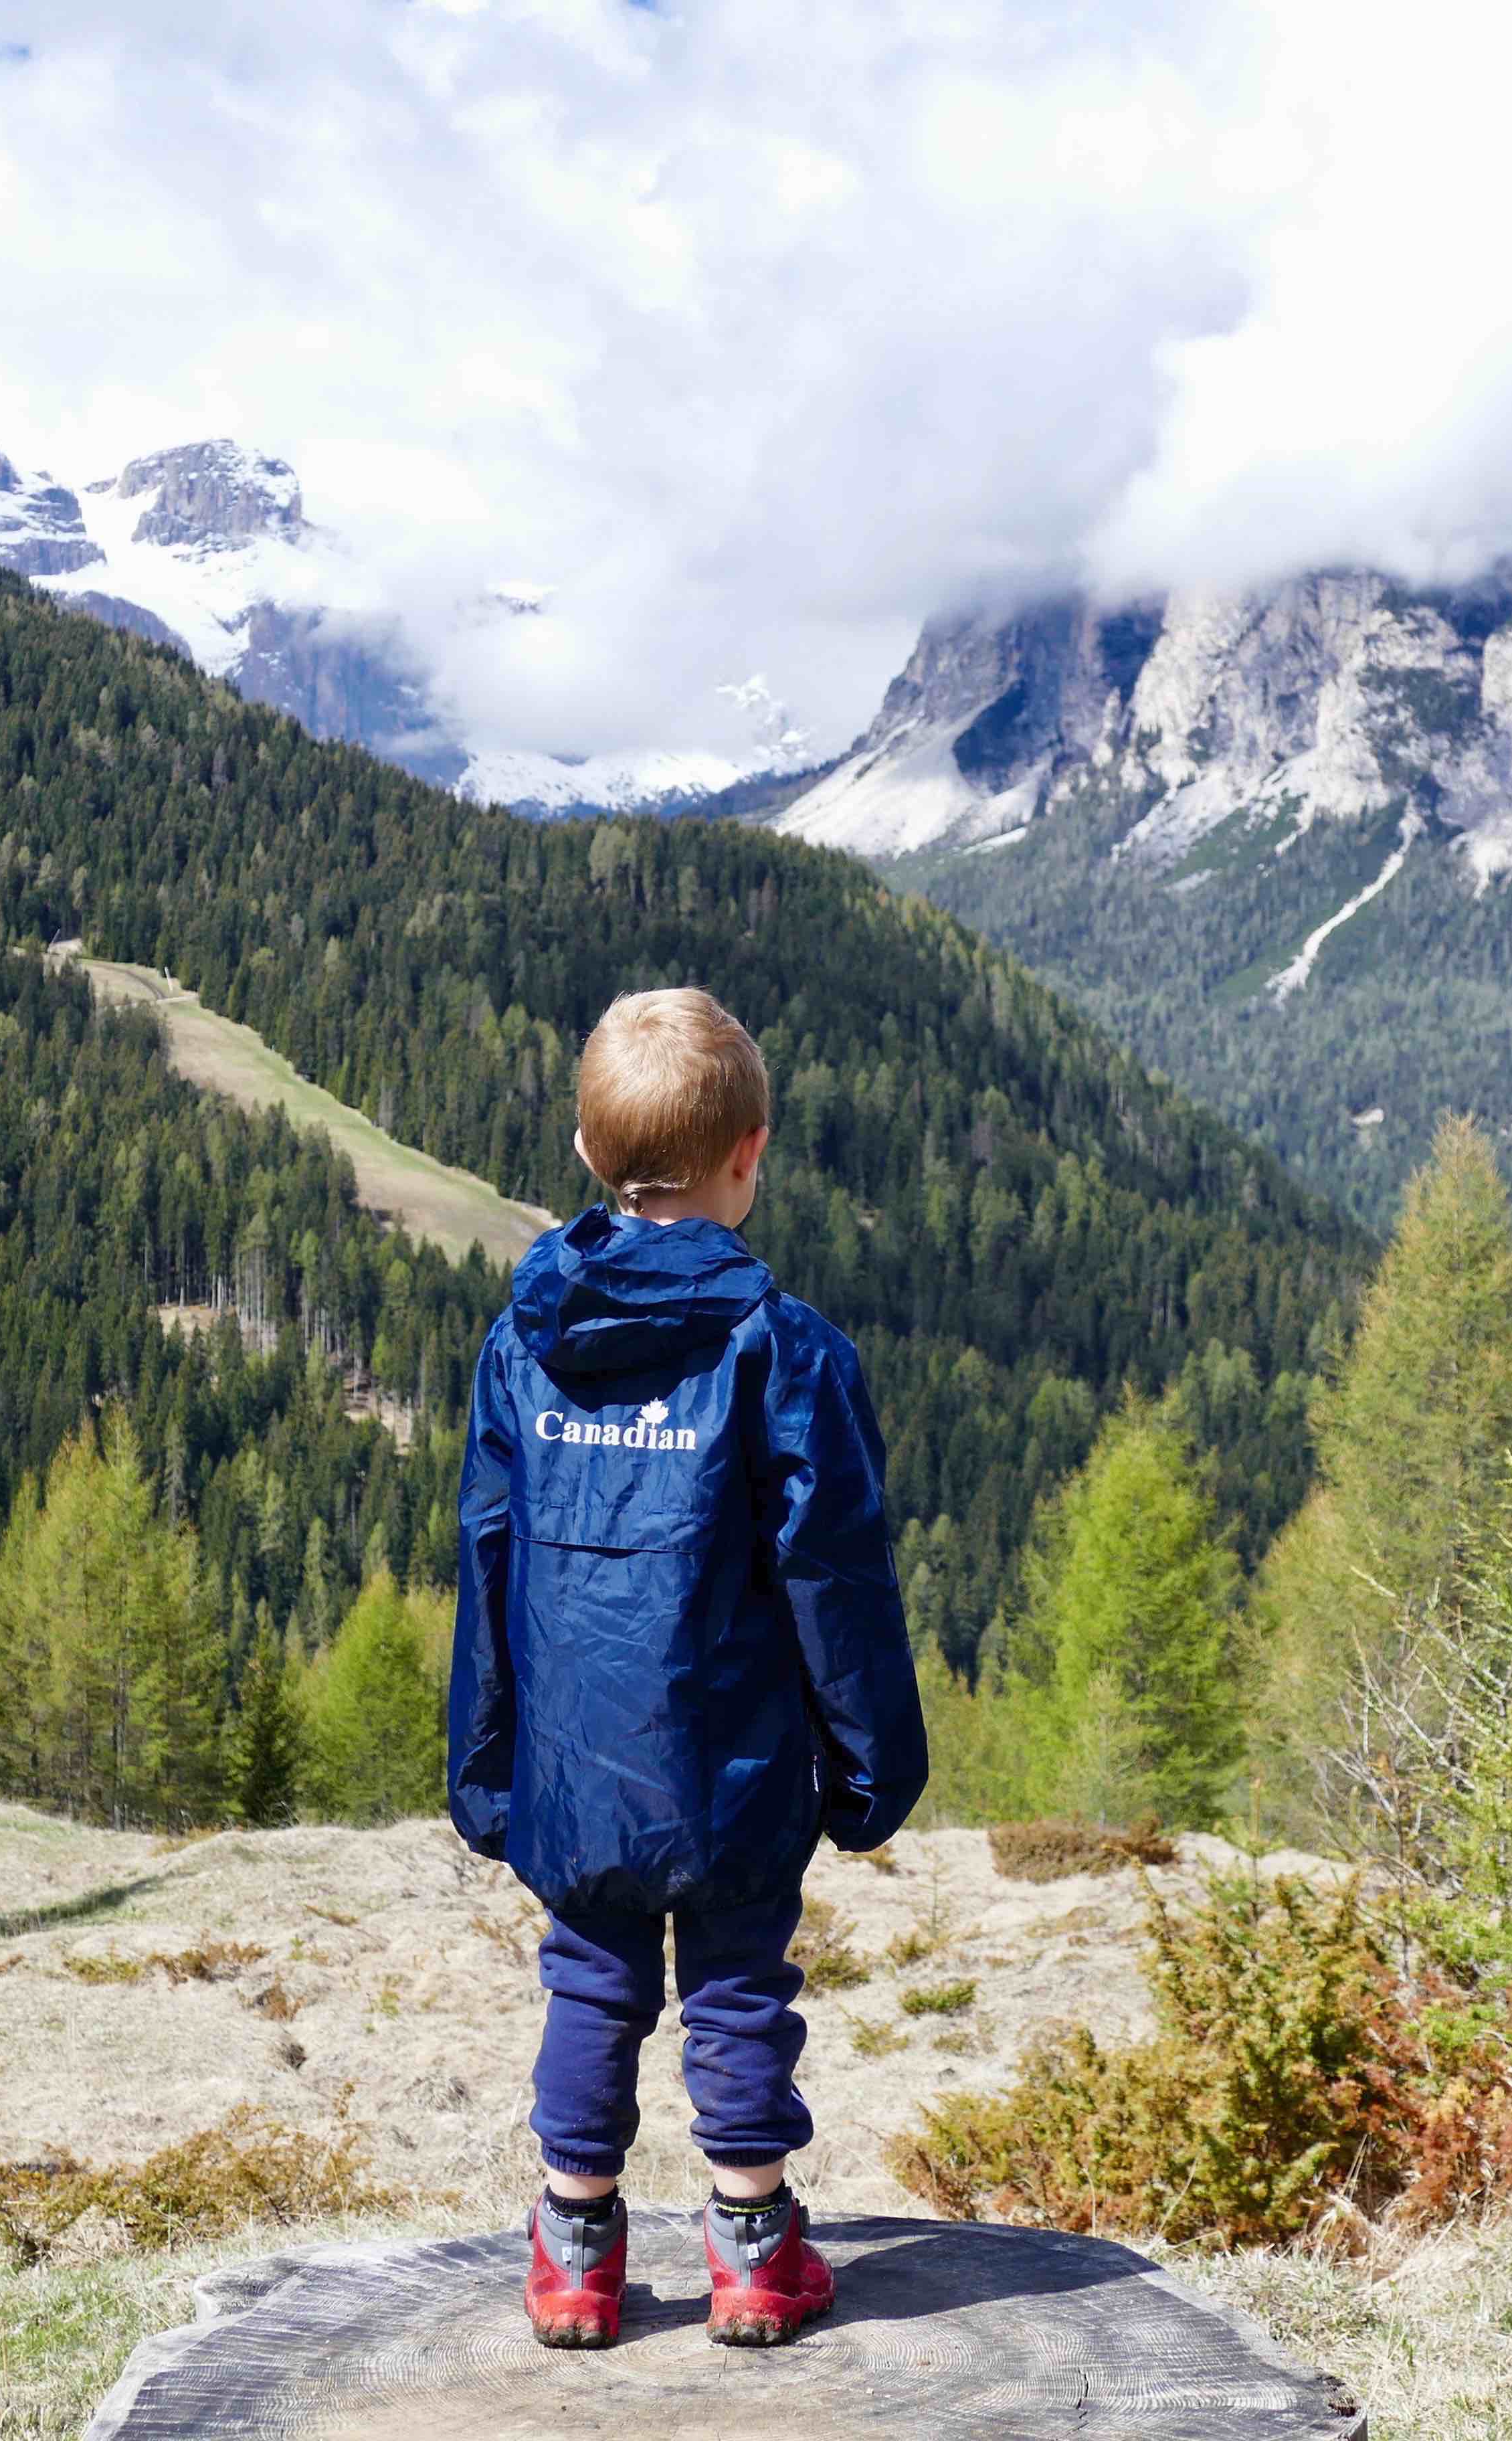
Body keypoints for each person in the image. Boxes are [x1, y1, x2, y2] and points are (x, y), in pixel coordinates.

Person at [448, 986, 927, 2350]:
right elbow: (837, 1579)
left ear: (591, 1157)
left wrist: (484, 1765)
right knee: (736, 1989)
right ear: (751, 1154)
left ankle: (575, 2256)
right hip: (734, 1767)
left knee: (589, 1982)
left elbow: (488, 1567)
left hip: (569, 1766)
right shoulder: (786, 1353)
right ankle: (756, 2253)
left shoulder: (521, 1345)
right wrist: (875, 1763)